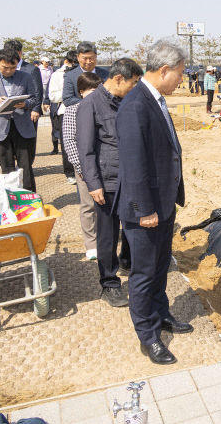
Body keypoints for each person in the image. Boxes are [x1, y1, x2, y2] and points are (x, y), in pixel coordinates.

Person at [115, 40, 190, 365]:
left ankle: (161, 314)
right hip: (144, 209)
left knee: (160, 268)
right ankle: (147, 336)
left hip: (163, 204)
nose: (181, 80)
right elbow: (133, 164)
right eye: (180, 74)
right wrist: (145, 210)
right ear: (164, 70)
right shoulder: (135, 105)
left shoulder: (154, 99)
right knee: (144, 274)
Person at [77, 59, 142, 307]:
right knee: (107, 234)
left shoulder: (126, 102)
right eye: (133, 83)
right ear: (118, 79)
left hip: (130, 177)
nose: (134, 88)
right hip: (106, 181)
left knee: (133, 225)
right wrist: (94, 183)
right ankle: (109, 283)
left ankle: (128, 262)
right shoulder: (90, 105)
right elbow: (86, 150)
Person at [0, 48, 39, 191]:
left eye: (13, 68)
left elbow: (34, 99)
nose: (9, 71)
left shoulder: (25, 77)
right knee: (7, 168)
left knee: (26, 167)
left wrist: (25, 104)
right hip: (0, 128)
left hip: (22, 128)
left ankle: (30, 199)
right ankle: (11, 200)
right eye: (5, 67)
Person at [63, 72, 103, 261]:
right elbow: (70, 142)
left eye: (98, 90)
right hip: (85, 168)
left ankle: (106, 239)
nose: (96, 94)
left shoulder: (106, 109)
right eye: (91, 90)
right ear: (81, 92)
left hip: (105, 165)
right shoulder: (72, 111)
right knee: (88, 206)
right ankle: (91, 243)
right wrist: (81, 168)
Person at [49, 51, 78, 182]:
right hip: (65, 111)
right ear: (66, 61)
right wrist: (68, 92)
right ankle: (70, 173)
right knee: (67, 144)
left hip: (84, 110)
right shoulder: (57, 75)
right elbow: (53, 96)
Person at [63, 41, 109, 108]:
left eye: (91, 58)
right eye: (85, 58)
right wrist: (90, 103)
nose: (88, 61)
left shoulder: (106, 74)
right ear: (78, 57)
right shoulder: (70, 76)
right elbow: (67, 99)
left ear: (96, 56)